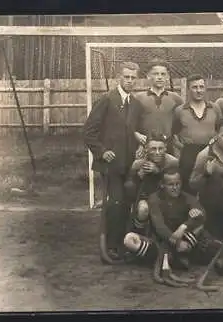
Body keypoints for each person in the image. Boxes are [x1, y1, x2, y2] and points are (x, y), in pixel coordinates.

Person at [83, 61, 144, 261]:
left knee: (127, 203)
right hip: (111, 164)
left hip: (129, 164)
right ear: (119, 77)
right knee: (115, 203)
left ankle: (124, 243)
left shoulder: (136, 104)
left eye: (133, 78)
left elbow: (133, 131)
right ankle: (110, 246)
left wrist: (140, 145)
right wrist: (102, 152)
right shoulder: (107, 100)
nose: (129, 81)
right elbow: (89, 131)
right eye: (126, 77)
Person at [146, 167, 210, 270]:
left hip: (182, 236)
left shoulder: (185, 197)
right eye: (170, 185)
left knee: (200, 229)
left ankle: (183, 256)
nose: (175, 188)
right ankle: (176, 258)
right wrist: (177, 243)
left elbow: (202, 214)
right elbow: (159, 227)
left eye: (177, 184)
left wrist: (184, 226)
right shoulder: (155, 199)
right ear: (162, 185)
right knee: (163, 252)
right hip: (163, 239)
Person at [171, 74, 223, 195]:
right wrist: (183, 148)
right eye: (194, 87)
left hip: (210, 152)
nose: (199, 90)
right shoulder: (180, 110)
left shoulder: (214, 108)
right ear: (189, 89)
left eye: (201, 87)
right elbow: (173, 134)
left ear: (205, 88)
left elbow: (221, 130)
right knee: (188, 188)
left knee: (211, 186)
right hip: (189, 153)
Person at [124, 133, 179, 237]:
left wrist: (158, 172)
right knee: (143, 209)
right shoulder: (138, 163)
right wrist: (138, 177)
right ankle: (138, 236)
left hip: (167, 198)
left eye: (160, 149)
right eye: (153, 149)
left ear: (166, 148)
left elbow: (176, 184)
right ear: (146, 149)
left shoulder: (172, 162)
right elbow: (129, 189)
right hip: (146, 197)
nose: (157, 152)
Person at [134, 58, 184, 158]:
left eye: (163, 74)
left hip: (168, 147)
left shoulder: (176, 99)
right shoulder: (138, 98)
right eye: (156, 74)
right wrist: (136, 136)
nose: (159, 77)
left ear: (167, 77)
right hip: (145, 147)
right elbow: (130, 123)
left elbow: (180, 124)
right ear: (148, 76)